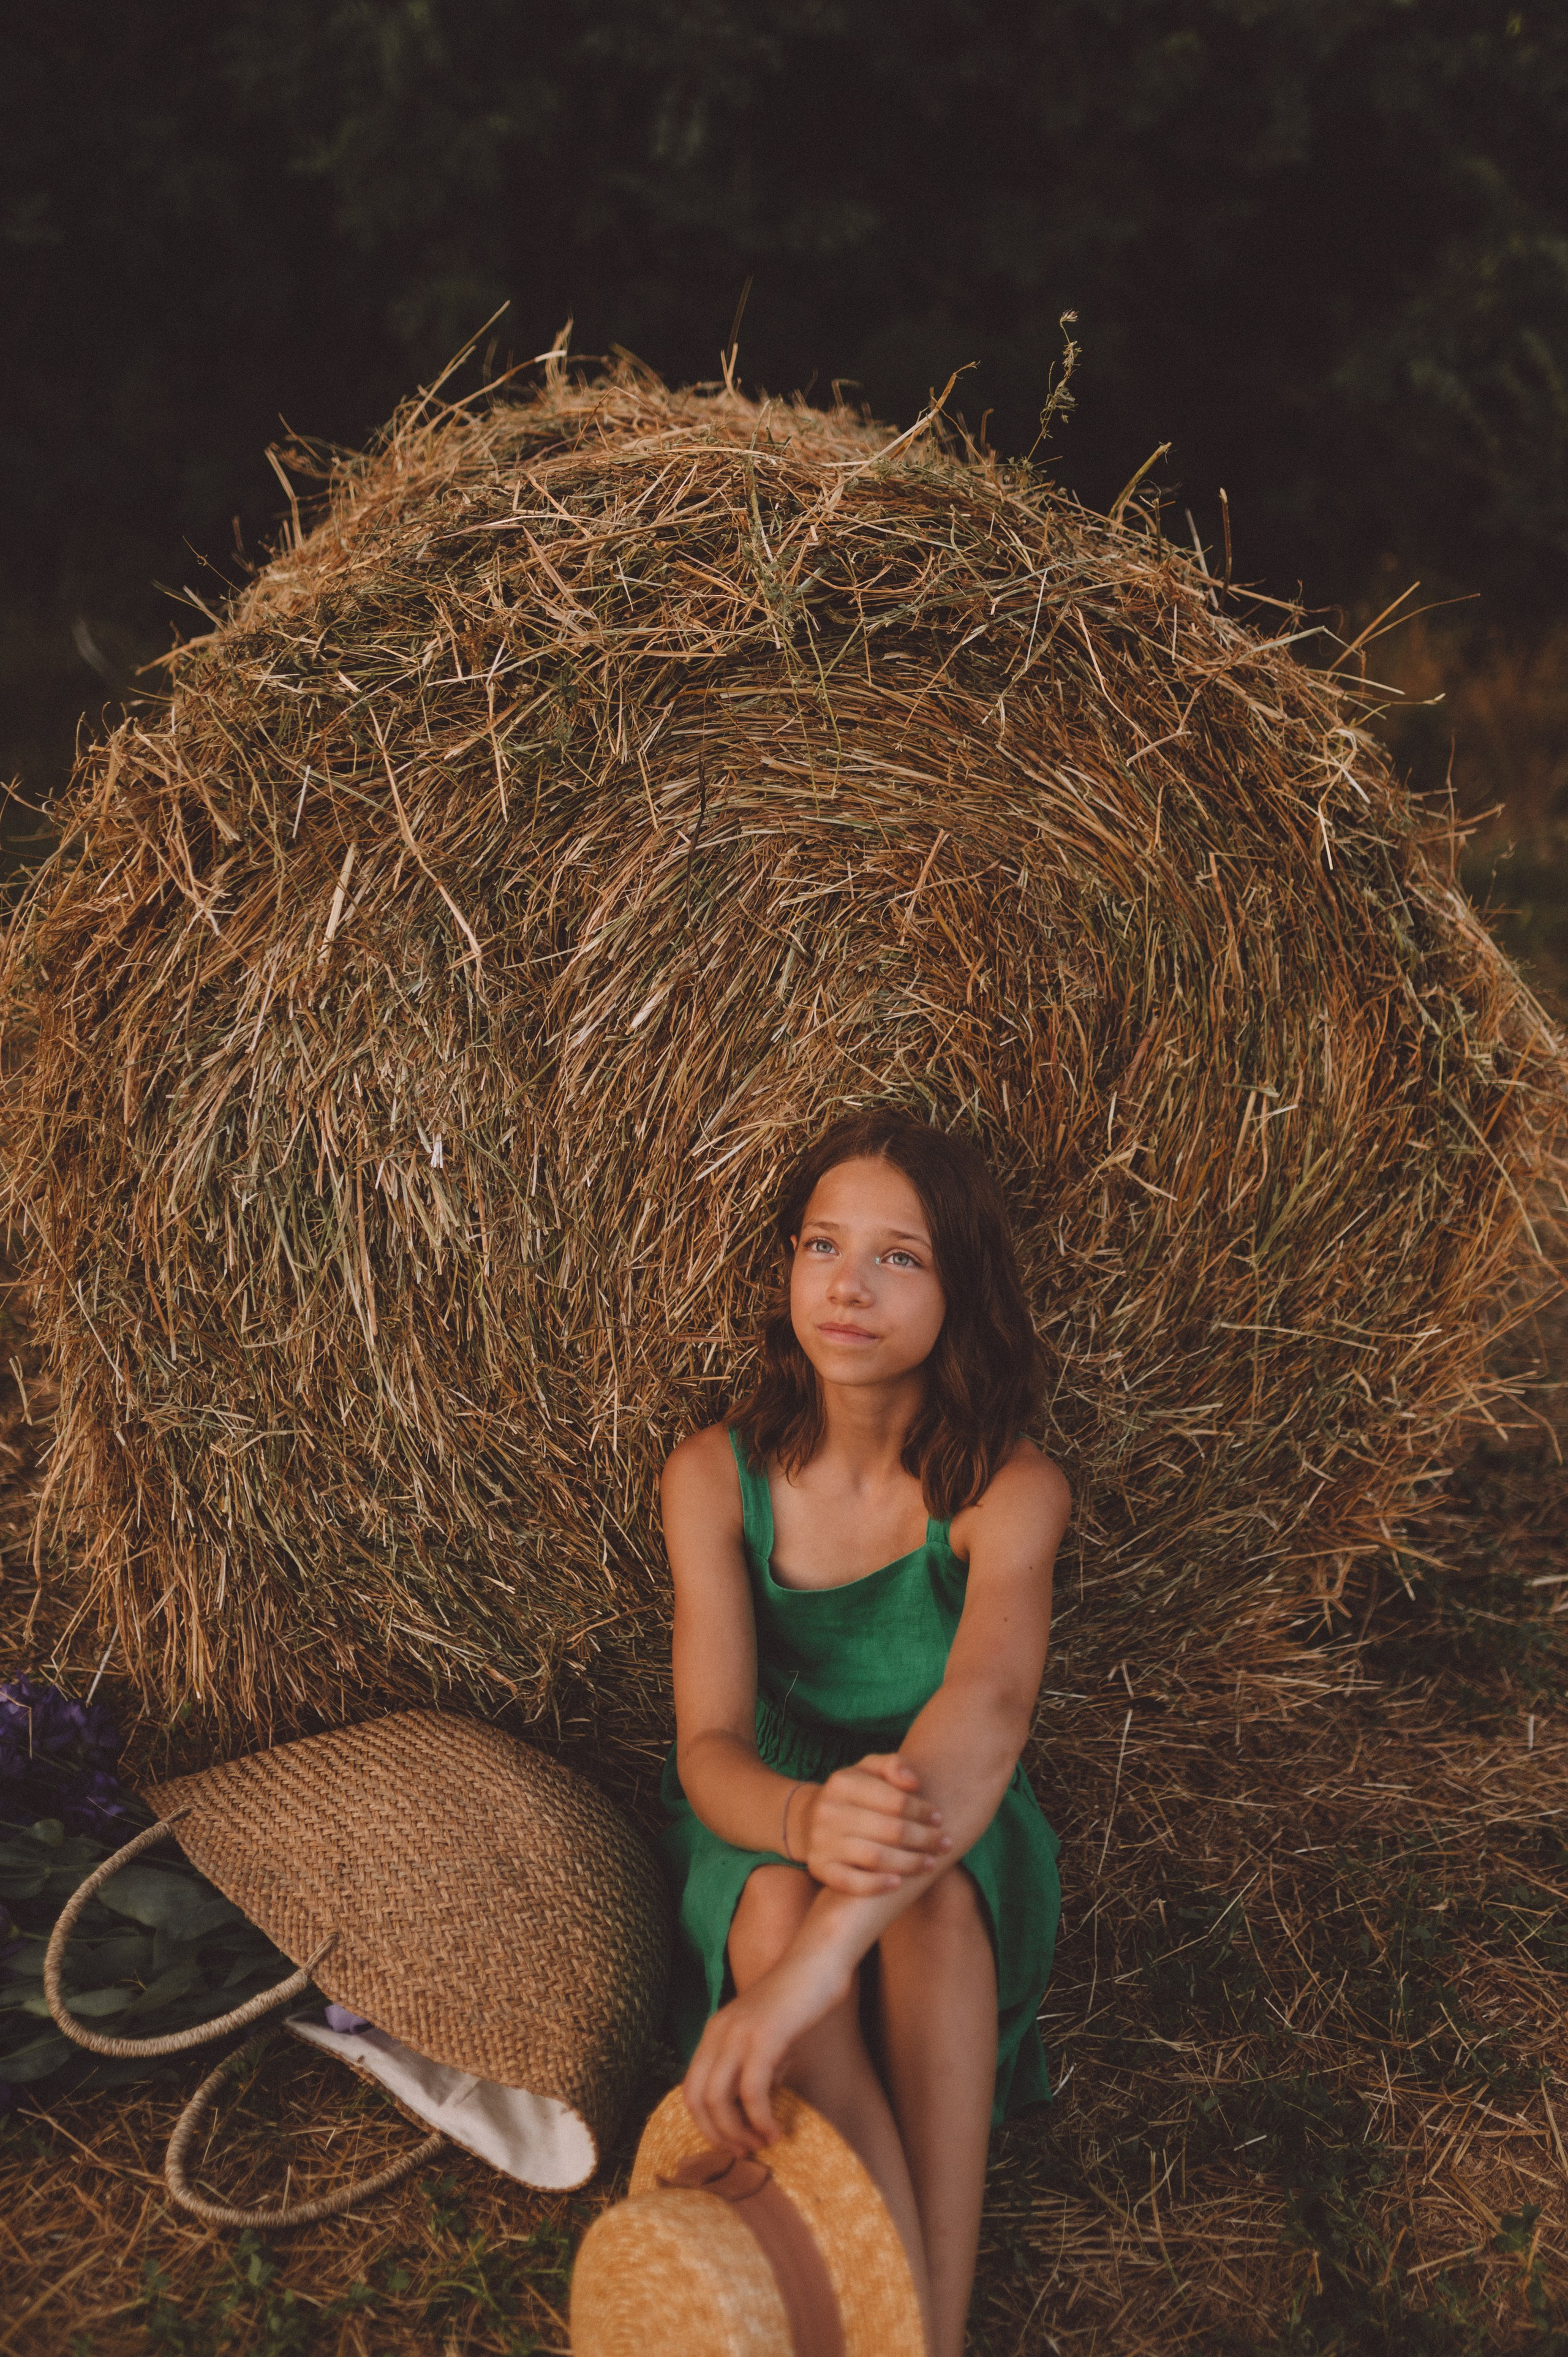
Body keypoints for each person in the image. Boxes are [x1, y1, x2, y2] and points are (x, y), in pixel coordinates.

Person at [659, 1109, 1070, 2357]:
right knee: (778, 1904)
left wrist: (817, 1969)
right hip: (761, 1827)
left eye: (900, 1256)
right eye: (821, 1243)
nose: (847, 1284)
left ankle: (924, 2332)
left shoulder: (1011, 1486)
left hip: (957, 1825)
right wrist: (798, 1819)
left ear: (963, 1287)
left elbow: (983, 1716)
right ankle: (890, 2322)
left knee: (925, 1899)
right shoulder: (708, 1476)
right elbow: (708, 1747)